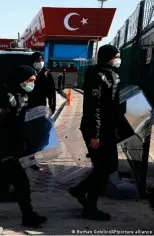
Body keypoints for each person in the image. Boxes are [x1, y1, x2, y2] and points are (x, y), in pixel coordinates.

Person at [0, 65, 47, 227]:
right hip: (4, 147)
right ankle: (28, 216)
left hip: (14, 146)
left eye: (33, 81)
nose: (32, 84)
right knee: (21, 183)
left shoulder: (22, 95)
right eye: (30, 81)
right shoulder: (5, 97)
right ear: (21, 80)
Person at [69, 45, 122, 221]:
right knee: (102, 167)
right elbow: (94, 107)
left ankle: (80, 189)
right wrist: (94, 134)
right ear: (106, 57)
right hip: (96, 130)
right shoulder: (95, 75)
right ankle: (90, 207)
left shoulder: (113, 74)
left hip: (109, 129)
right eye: (116, 56)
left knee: (111, 165)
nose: (118, 59)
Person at [28, 52, 56, 172]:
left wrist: (52, 107)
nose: (40, 62)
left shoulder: (47, 74)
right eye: (37, 60)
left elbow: (52, 93)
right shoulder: (28, 73)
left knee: (40, 136)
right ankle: (29, 159)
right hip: (28, 108)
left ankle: (33, 157)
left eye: (41, 59)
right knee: (29, 136)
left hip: (41, 108)